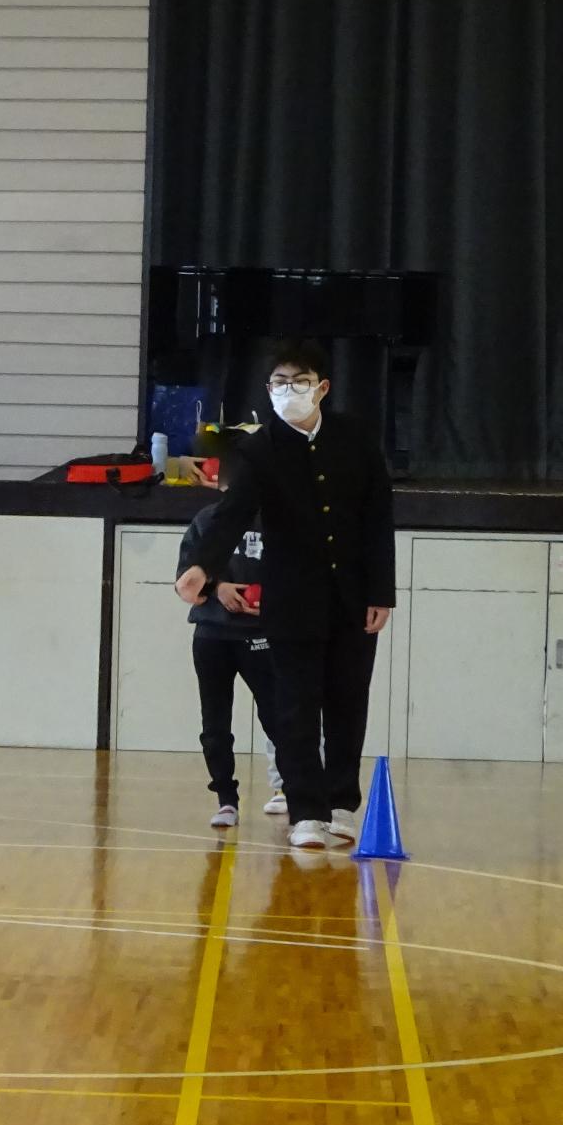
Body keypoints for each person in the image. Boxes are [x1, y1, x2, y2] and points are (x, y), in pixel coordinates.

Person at [175, 339, 395, 852]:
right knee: (295, 708)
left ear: (322, 388)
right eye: (278, 383)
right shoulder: (261, 448)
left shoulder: (355, 439)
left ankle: (341, 805)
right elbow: (231, 513)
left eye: (299, 383)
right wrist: (201, 566)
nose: (288, 391)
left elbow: (378, 518)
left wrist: (381, 592)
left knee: (347, 703)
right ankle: (306, 811)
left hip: (352, 597)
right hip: (292, 599)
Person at [178, 458, 285, 828]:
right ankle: (226, 798)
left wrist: (272, 601)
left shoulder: (277, 521)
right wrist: (218, 588)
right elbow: (185, 580)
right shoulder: (206, 521)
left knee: (277, 715)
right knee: (215, 723)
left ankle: (291, 789)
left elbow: (294, 575)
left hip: (259, 634)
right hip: (212, 635)